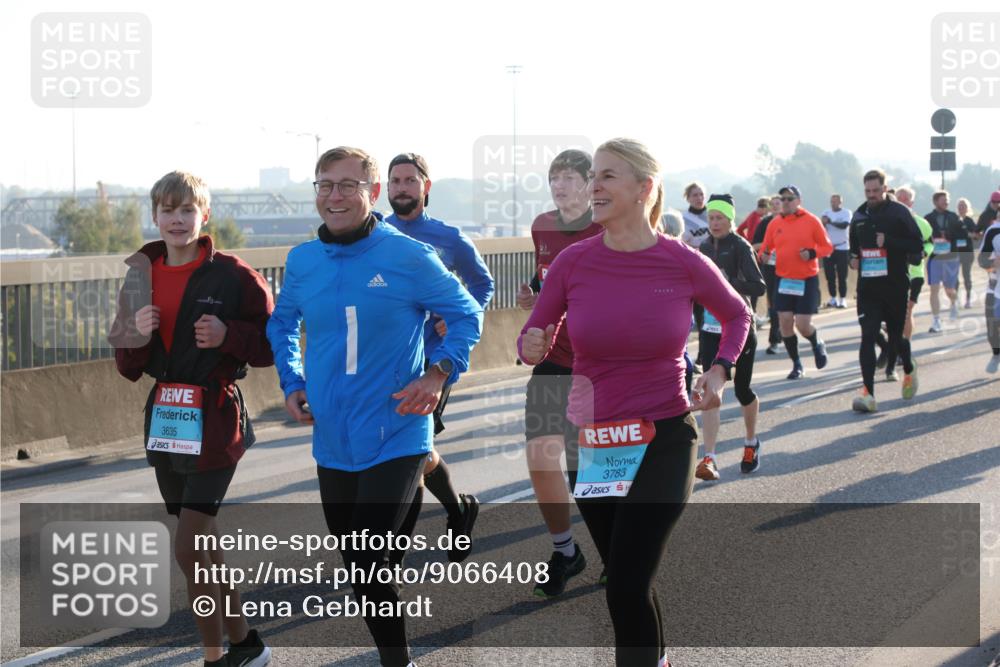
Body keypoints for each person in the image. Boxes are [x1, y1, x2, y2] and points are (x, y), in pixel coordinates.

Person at [518, 138, 751, 667]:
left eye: (607, 177)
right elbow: (535, 331)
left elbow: (737, 316)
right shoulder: (573, 263)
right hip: (596, 442)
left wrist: (719, 369)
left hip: (664, 435)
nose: (592, 186)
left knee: (625, 581)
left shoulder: (681, 261)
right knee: (626, 581)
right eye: (592, 176)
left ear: (644, 189)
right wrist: (529, 342)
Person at [266, 147, 482, 667]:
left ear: (373, 193)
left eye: (347, 185)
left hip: (400, 428)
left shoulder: (408, 255)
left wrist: (438, 372)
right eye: (324, 185)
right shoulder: (302, 260)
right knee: (365, 562)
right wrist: (292, 381)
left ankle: (395, 661)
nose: (334, 196)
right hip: (333, 438)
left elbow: (467, 313)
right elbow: (281, 323)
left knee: (366, 559)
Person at [108, 171, 273, 667]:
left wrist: (228, 335)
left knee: (187, 547)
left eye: (186, 210)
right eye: (167, 210)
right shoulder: (140, 273)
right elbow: (126, 366)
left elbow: (273, 345)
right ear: (154, 215)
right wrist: (134, 334)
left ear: (205, 216)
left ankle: (213, 656)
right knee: (202, 548)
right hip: (166, 423)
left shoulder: (235, 275)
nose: (176, 220)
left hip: (217, 421)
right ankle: (245, 645)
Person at [383, 152, 493, 563]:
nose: (402, 188)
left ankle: (391, 554)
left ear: (425, 187)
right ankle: (459, 509)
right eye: (395, 181)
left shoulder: (449, 237)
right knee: (418, 452)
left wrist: (457, 314)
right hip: (389, 363)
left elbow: (483, 285)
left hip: (435, 364)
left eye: (410, 180)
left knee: (409, 453)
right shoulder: (377, 233)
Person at [516, 148, 605, 597]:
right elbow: (546, 277)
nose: (560, 185)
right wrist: (533, 294)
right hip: (553, 356)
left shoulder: (608, 226)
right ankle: (565, 550)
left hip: (599, 362)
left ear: (591, 183)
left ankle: (615, 550)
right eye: (554, 177)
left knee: (588, 467)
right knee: (540, 453)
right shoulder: (542, 227)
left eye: (570, 177)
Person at [694, 194, 766, 482]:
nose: (714, 223)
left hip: (740, 329)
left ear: (730, 219)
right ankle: (709, 457)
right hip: (711, 332)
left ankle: (750, 443)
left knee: (743, 390)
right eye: (711, 218)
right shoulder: (702, 248)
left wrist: (726, 282)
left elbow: (758, 287)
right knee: (711, 394)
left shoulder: (740, 246)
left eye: (719, 218)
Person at [847, 170, 923, 413]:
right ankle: (868, 393)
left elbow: (917, 246)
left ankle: (909, 368)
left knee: (895, 337)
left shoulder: (900, 212)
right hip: (868, 287)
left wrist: (888, 241)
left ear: (885, 188)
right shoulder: (859, 215)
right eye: (867, 192)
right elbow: (853, 250)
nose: (872, 196)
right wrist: (853, 260)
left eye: (876, 191)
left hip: (895, 285)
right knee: (867, 336)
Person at [760, 185, 833, 379]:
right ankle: (797, 364)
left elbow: (827, 247)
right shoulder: (775, 223)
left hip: (806, 279)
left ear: (799, 201)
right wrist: (764, 255)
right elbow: (766, 248)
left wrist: (812, 253)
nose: (785, 202)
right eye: (782, 199)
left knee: (802, 325)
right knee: (784, 322)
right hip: (784, 279)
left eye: (789, 199)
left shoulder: (811, 221)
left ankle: (817, 342)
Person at [878, 186, 933, 380]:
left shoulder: (920, 222)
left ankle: (902, 350)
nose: (901, 203)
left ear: (911, 202)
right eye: (898, 199)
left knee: (907, 311)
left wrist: (924, 252)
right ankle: (896, 346)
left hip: (914, 274)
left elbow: (929, 241)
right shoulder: (886, 221)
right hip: (889, 273)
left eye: (905, 200)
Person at [924, 190, 963, 332]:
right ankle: (936, 320)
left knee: (949, 289)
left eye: (947, 200)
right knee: (934, 289)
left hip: (951, 257)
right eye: (943, 200)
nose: (946, 202)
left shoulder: (953, 217)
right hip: (935, 258)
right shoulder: (928, 218)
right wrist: (931, 240)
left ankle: (953, 302)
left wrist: (955, 243)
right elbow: (923, 236)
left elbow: (961, 234)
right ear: (935, 202)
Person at [753, 195, 783, 354]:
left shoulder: (790, 221)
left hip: (790, 268)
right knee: (774, 303)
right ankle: (774, 340)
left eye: (780, 203)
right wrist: (769, 245)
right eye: (774, 204)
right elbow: (754, 245)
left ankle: (782, 331)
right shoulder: (765, 223)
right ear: (770, 207)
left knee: (784, 305)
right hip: (771, 267)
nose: (777, 206)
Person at [978, 209, 1000, 373]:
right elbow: (982, 260)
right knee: (992, 324)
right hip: (995, 285)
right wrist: (994, 262)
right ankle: (996, 354)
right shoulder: (993, 231)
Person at [820, 193, 852, 308]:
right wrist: (824, 223)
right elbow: (821, 227)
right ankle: (833, 297)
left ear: (840, 202)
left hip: (842, 247)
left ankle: (842, 298)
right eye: (832, 201)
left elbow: (844, 225)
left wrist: (830, 222)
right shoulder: (826, 213)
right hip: (828, 248)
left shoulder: (846, 213)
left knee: (842, 275)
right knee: (829, 275)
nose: (833, 203)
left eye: (836, 201)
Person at [956, 197, 978, 308]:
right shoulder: (954, 219)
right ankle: (954, 301)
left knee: (966, 276)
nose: (961, 208)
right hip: (956, 252)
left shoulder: (969, 221)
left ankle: (968, 300)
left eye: (963, 206)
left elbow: (976, 235)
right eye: (959, 206)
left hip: (967, 252)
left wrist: (969, 234)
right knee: (954, 277)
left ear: (967, 208)